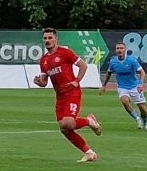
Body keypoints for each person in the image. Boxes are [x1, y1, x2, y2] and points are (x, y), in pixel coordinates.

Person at [33, 28, 102, 162]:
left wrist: (76, 81)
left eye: (50, 38)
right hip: (60, 96)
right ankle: (89, 153)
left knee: (68, 123)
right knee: (64, 129)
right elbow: (44, 81)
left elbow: (83, 65)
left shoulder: (65, 53)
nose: (47, 41)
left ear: (56, 39)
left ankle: (89, 121)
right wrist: (39, 82)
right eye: (45, 38)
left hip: (72, 93)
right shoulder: (44, 60)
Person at [99, 42, 147, 130]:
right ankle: (137, 119)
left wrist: (140, 84)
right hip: (122, 87)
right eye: (118, 48)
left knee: (143, 109)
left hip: (135, 86)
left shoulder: (132, 60)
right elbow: (109, 73)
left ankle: (145, 124)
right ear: (115, 50)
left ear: (125, 50)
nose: (119, 50)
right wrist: (104, 85)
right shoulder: (113, 61)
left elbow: (142, 72)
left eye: (121, 48)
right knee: (125, 101)